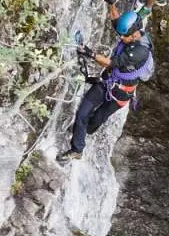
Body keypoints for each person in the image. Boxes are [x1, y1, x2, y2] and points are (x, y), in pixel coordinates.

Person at [57, 10, 154, 162]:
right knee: (82, 113)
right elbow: (116, 22)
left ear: (135, 35)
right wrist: (111, 4)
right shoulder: (129, 32)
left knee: (94, 122)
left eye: (124, 36)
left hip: (121, 94)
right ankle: (77, 150)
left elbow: (110, 63)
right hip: (107, 82)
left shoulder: (140, 51)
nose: (121, 38)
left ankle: (82, 130)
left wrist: (90, 53)